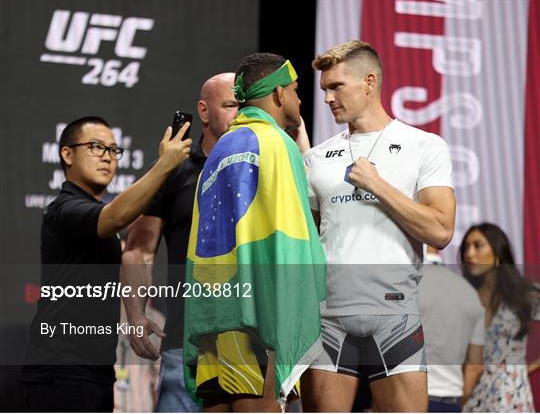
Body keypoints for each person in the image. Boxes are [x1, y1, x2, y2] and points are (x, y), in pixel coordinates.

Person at [301, 40, 456, 412]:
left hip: (395, 317)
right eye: (324, 89)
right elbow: (305, 243)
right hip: (327, 320)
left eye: (336, 86)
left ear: (369, 82)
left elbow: (440, 230)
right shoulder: (316, 158)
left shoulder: (424, 146)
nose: (327, 98)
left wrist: (377, 185)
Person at [183, 53, 326, 412]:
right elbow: (289, 234)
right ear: (278, 94)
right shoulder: (277, 143)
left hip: (216, 315)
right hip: (260, 315)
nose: (298, 100)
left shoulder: (221, 149)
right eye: (295, 91)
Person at [22, 116, 192, 412]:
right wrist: (164, 165)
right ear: (67, 154)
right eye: (96, 147)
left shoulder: (96, 214)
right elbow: (117, 216)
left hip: (95, 373)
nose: (107, 157)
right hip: (60, 373)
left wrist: (136, 315)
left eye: (114, 150)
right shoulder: (64, 209)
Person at [121, 72, 239, 412]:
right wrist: (135, 315)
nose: (240, 114)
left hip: (252, 340)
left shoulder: (261, 167)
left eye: (244, 106)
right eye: (230, 105)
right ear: (204, 112)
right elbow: (140, 248)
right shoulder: (174, 170)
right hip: (185, 340)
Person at [459, 223, 540, 412]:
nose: (469, 254)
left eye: (478, 246)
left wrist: (524, 370)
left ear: (497, 252)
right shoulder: (463, 297)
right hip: (471, 396)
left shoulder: (524, 294)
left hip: (511, 396)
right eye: (466, 247)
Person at [418, 246, 484, 412]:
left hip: (406, 398)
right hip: (451, 402)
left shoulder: (404, 283)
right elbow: (475, 367)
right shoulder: (470, 293)